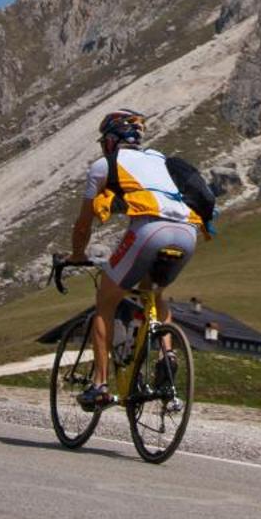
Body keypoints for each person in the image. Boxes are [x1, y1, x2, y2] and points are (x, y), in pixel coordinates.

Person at [67, 107, 205, 410]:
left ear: (111, 140)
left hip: (150, 230)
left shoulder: (103, 166)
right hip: (188, 233)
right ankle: (166, 356)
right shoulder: (161, 161)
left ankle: (99, 385)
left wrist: (77, 255)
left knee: (106, 299)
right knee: (154, 291)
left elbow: (83, 224)